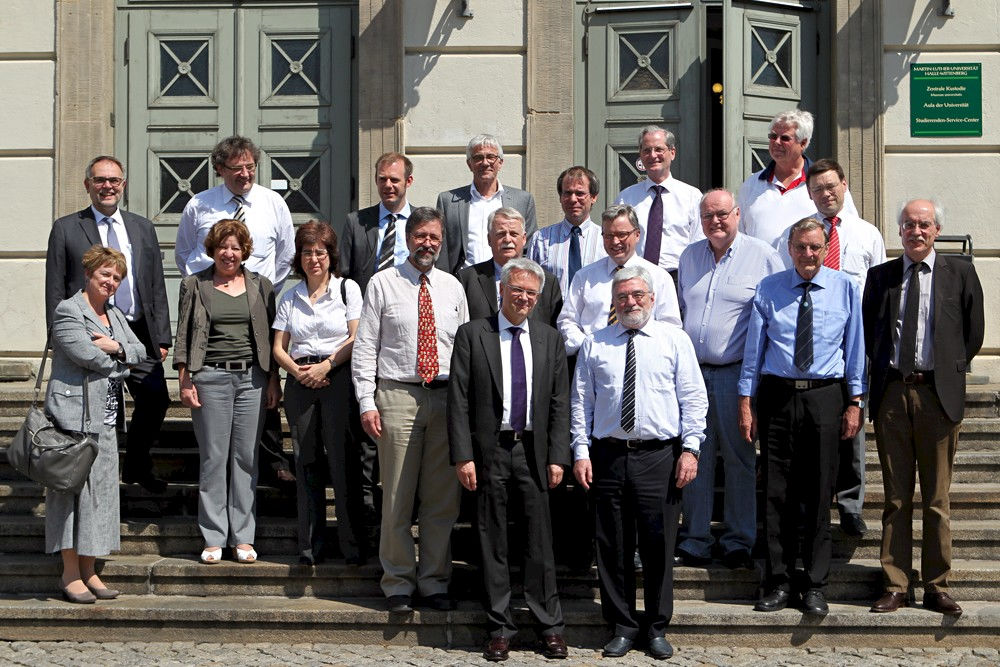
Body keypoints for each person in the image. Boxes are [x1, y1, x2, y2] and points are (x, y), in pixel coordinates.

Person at [572, 265, 706, 660]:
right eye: (622, 297)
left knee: (658, 545)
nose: (630, 302)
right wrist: (580, 451)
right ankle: (623, 625)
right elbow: (582, 402)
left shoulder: (674, 340)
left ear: (651, 299)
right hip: (609, 456)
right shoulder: (595, 343)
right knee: (612, 545)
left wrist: (691, 448)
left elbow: (694, 398)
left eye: (637, 296)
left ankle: (657, 625)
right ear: (613, 303)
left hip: (659, 457)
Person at [738, 218, 865, 617]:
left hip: (825, 397)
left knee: (818, 491)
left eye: (814, 247)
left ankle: (814, 583)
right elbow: (754, 351)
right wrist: (746, 402)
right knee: (776, 492)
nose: (807, 255)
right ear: (790, 248)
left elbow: (856, 348)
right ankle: (777, 580)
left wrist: (855, 402)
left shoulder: (845, 288)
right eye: (800, 247)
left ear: (824, 247)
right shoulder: (769, 288)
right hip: (777, 395)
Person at [864, 199, 984, 616]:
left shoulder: (961, 272)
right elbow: (871, 333)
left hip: (938, 395)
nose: (916, 231)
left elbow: (972, 334)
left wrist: (947, 374)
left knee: (936, 498)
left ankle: (936, 584)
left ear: (936, 230)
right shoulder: (880, 277)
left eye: (924, 224)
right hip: (893, 394)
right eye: (908, 224)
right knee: (896, 497)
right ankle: (896, 584)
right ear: (899, 231)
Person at [449, 258, 570, 662]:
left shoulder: (549, 339)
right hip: (489, 451)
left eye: (531, 293)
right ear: (501, 290)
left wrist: (558, 455)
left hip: (534, 451)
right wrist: (463, 455)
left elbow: (559, 404)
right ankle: (499, 626)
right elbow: (459, 399)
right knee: (492, 539)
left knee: (540, 542)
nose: (523, 298)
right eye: (517, 289)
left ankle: (548, 625)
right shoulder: (472, 335)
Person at [351, 207, 469, 612]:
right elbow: (366, 346)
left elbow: (465, 351)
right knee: (398, 496)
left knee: (441, 500)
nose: (427, 244)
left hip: (445, 398)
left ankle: (434, 581)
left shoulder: (453, 287)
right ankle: (398, 582)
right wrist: (367, 401)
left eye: (434, 237)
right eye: (420, 236)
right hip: (398, 395)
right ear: (408, 237)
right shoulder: (383, 283)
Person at [45, 155, 172, 493]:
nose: (107, 186)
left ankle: (136, 466)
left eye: (114, 180)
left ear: (123, 185)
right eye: (100, 180)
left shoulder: (142, 227)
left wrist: (161, 336)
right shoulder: (67, 227)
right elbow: (55, 285)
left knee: (156, 398)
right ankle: (96, 476)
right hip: (87, 332)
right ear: (88, 185)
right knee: (100, 407)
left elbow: (155, 284)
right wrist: (59, 336)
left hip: (136, 333)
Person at [775, 158, 886, 537]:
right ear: (809, 193)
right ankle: (810, 503)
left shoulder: (868, 234)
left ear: (844, 184)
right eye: (818, 188)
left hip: (852, 346)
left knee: (851, 430)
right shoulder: (796, 235)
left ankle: (851, 505)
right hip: (809, 347)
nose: (826, 194)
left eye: (831, 186)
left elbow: (878, 292)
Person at [174, 135, 295, 483]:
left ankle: (273, 460)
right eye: (236, 168)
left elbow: (286, 255)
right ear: (219, 169)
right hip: (211, 301)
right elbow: (184, 254)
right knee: (213, 376)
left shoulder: (273, 203)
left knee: (263, 377)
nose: (245, 174)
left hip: (259, 300)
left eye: (250, 166)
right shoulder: (199, 204)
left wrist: (262, 290)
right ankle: (216, 461)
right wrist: (206, 289)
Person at [675, 189, 783, 569]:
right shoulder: (689, 256)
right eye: (707, 216)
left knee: (739, 456)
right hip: (691, 375)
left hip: (738, 374)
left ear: (738, 214)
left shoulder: (763, 256)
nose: (715, 222)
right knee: (694, 456)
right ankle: (696, 537)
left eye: (722, 214)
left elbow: (775, 319)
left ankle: (739, 538)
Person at [174, 219, 280, 565]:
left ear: (244, 250)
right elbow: (183, 335)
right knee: (214, 458)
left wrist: (273, 380)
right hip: (210, 378)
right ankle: (214, 536)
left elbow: (271, 336)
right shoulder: (195, 284)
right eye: (223, 246)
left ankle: (243, 537)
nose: (229, 253)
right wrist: (184, 379)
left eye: (235, 247)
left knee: (246, 459)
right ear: (213, 249)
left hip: (252, 380)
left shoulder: (261, 286)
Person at [46, 246, 146, 603]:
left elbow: (141, 351)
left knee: (100, 496)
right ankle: (69, 574)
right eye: (105, 274)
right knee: (69, 494)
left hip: (105, 418)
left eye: (117, 277)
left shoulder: (115, 315)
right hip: (71, 418)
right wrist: (122, 357)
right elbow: (85, 355)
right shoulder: (67, 310)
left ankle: (90, 571)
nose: (111, 282)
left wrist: (115, 346)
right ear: (88, 274)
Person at [272, 221, 365, 566]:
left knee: (342, 462)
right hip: (300, 381)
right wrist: (298, 372)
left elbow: (356, 337)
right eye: (308, 252)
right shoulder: (290, 296)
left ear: (331, 255)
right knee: (306, 462)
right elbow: (278, 346)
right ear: (299, 257)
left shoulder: (347, 290)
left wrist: (326, 366)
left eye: (320, 252)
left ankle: (352, 545)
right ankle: (311, 546)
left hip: (337, 378)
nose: (314, 259)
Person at [557, 204, 681, 359]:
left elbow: (670, 326)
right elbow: (567, 321)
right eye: (608, 236)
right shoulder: (585, 277)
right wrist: (588, 347)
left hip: (644, 360)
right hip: (593, 361)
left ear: (637, 234)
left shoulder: (659, 277)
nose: (615, 242)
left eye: (622, 234)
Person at [737, 109, 857, 247]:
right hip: (761, 268)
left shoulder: (830, 186)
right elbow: (740, 237)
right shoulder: (751, 185)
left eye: (785, 138)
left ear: (803, 143)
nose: (776, 142)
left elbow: (849, 230)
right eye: (773, 136)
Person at [437, 134, 537, 273]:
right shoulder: (448, 201)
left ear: (500, 162)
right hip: (463, 284)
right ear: (469, 164)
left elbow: (529, 249)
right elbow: (443, 252)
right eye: (478, 157)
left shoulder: (522, 200)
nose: (485, 163)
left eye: (491, 157)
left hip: (508, 282)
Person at [615, 126, 703, 284]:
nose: (652, 155)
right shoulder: (626, 198)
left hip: (679, 279)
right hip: (635, 279)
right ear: (640, 155)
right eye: (647, 150)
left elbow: (700, 245)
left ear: (672, 153)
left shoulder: (692, 196)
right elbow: (616, 241)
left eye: (659, 149)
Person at [458, 207, 562, 328]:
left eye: (513, 234)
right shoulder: (467, 279)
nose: (507, 239)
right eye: (501, 234)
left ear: (524, 239)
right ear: (489, 239)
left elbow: (553, 332)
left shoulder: (548, 282)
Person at [527, 166, 604, 296]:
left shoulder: (605, 239)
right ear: (560, 197)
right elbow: (530, 284)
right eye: (567, 193)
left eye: (580, 193)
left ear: (593, 197)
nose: (573, 199)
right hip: (553, 315)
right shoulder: (541, 239)